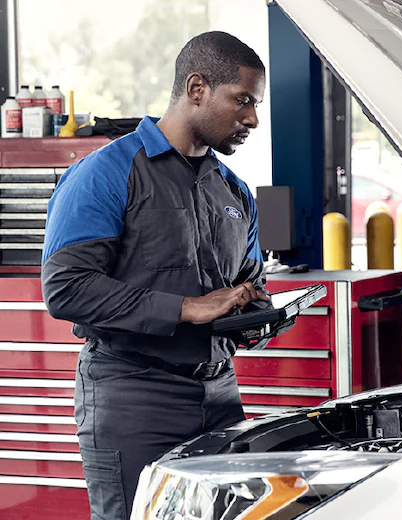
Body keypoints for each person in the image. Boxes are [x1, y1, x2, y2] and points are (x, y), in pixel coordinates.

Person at [41, 31, 269, 520]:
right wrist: (187, 307)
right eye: (243, 101)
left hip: (220, 394)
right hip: (133, 396)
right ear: (196, 88)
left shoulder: (234, 191)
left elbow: (249, 282)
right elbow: (66, 288)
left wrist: (257, 315)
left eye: (256, 105)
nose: (252, 118)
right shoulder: (105, 173)